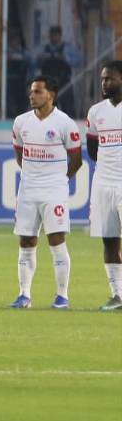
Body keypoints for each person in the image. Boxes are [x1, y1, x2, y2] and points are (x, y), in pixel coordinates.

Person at [9, 76, 82, 309]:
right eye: (32, 92)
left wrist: (59, 180)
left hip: (54, 191)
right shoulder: (21, 123)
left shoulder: (65, 123)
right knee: (27, 241)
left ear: (51, 94)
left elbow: (77, 160)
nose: (32, 96)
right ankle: (24, 295)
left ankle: (62, 296)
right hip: (28, 189)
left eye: (38, 92)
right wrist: (33, 176)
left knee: (56, 239)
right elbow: (19, 154)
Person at [85, 61, 122, 310]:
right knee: (109, 240)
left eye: (110, 78)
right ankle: (117, 295)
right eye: (102, 79)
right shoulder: (95, 112)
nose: (104, 83)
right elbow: (92, 149)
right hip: (103, 182)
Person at [35, 26, 82, 103]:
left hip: (64, 82)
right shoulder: (44, 48)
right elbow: (35, 63)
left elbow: (78, 61)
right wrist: (41, 59)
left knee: (67, 107)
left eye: (56, 35)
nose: (54, 37)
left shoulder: (68, 48)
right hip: (48, 83)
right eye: (52, 35)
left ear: (60, 35)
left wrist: (66, 59)